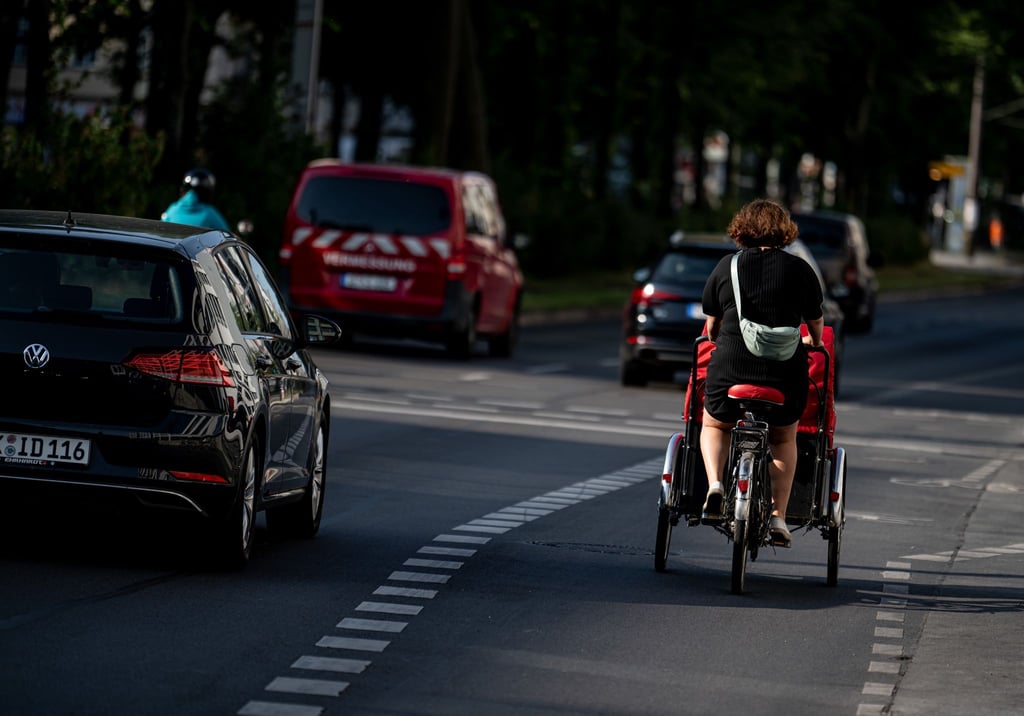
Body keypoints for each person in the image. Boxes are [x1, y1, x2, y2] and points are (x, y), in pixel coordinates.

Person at [698, 198, 824, 547]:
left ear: (742, 229)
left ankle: (715, 486)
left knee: (714, 424)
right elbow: (815, 323)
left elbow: (711, 326)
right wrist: (811, 340)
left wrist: (718, 334)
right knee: (784, 438)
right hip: (783, 377)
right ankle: (778, 518)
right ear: (785, 231)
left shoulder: (727, 267)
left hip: (730, 371)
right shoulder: (800, 270)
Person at [161, 168, 231, 231]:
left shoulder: (172, 209)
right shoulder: (210, 214)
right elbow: (229, 239)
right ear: (207, 192)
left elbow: (160, 232)